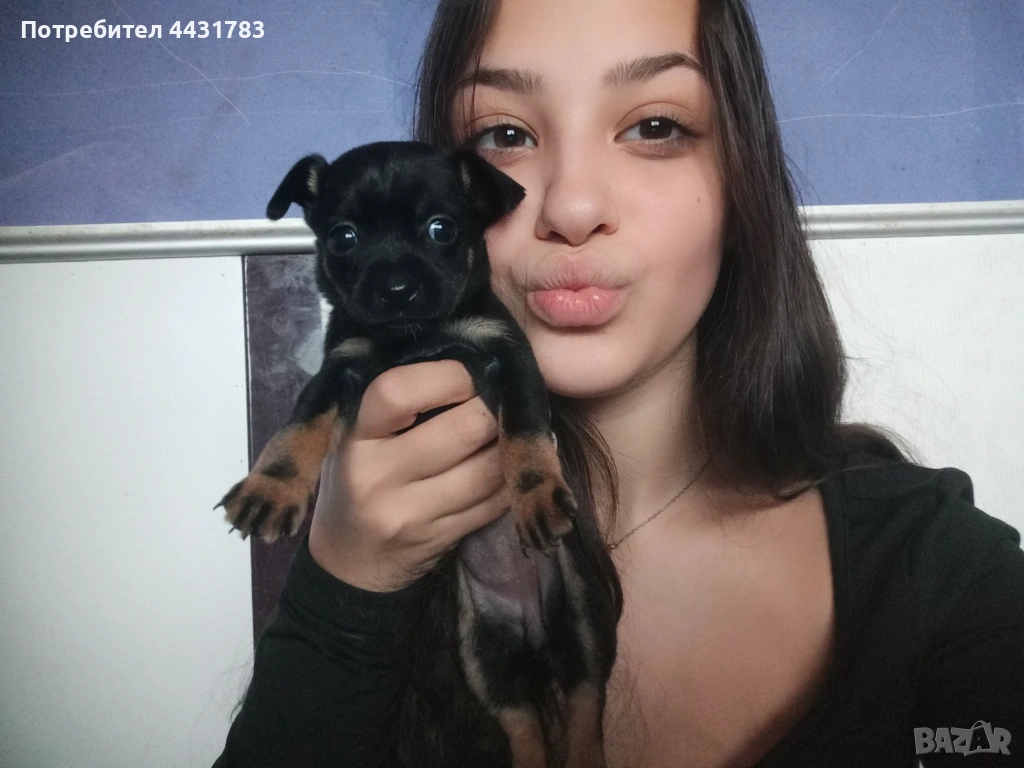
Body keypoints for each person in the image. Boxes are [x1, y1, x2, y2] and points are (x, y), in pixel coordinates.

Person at [214, 0, 1024, 766]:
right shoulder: (367, 548)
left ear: (739, 182)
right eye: (504, 134)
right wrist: (346, 592)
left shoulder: (944, 573)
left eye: (655, 126)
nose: (571, 207)